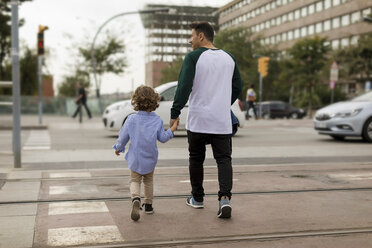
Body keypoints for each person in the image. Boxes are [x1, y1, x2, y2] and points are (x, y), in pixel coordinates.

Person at [170, 22, 242, 218]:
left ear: (201, 36)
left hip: (199, 120)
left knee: (196, 159)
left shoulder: (193, 57)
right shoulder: (229, 58)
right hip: (221, 121)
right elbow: (238, 86)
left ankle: (198, 199)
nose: (189, 40)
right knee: (224, 160)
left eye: (192, 36)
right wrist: (222, 103)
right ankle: (224, 199)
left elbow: (184, 87)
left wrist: (175, 112)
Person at [113, 85, 179, 221]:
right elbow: (163, 138)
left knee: (134, 180)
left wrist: (118, 147)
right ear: (154, 102)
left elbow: (123, 136)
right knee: (148, 181)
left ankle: (136, 198)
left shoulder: (131, 119)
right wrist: (172, 129)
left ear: (136, 101)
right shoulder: (157, 120)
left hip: (135, 158)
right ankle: (148, 206)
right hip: (150, 158)